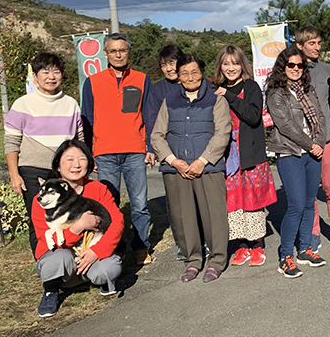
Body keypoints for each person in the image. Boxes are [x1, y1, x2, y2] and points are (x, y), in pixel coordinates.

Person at [151, 54, 232, 283]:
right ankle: (193, 260)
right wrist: (173, 160)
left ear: (203, 73)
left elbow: (222, 132)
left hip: (208, 167)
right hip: (176, 169)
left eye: (194, 72)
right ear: (178, 75)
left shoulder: (216, 98)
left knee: (213, 216)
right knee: (182, 216)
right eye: (184, 72)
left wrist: (202, 160)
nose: (189, 77)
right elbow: (157, 135)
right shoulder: (169, 100)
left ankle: (216, 260)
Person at [81, 33, 156, 265]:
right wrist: (87, 154)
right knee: (108, 205)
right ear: (105, 54)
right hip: (104, 154)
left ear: (129, 51)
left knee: (140, 204)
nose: (118, 54)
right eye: (113, 51)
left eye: (122, 50)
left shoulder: (142, 79)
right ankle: (115, 247)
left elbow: (149, 115)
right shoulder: (92, 82)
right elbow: (86, 120)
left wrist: (151, 147)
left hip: (135, 151)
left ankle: (141, 247)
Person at [32, 139, 124, 317]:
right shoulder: (43, 199)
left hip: (91, 254)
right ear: (58, 166)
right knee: (58, 258)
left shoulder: (97, 189)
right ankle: (51, 290)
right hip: (63, 258)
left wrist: (96, 252)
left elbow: (117, 221)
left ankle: (99, 279)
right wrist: (79, 226)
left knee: (110, 267)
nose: (76, 164)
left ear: (89, 163)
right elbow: (45, 237)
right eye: (69, 159)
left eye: (82, 159)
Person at [5, 52, 83, 255]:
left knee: (67, 215)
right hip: (32, 171)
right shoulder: (22, 104)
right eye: (45, 71)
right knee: (39, 220)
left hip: (63, 172)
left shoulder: (71, 104)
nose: (51, 76)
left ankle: (70, 262)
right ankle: (48, 267)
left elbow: (79, 139)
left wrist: (81, 168)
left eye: (56, 71)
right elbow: (11, 142)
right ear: (36, 76)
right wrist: (14, 174)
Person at [214, 45, 277, 267]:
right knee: (233, 203)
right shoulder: (218, 89)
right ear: (220, 66)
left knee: (253, 201)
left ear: (243, 65)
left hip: (250, 154)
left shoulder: (250, 87)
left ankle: (257, 245)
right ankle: (241, 246)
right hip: (228, 155)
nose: (231, 68)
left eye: (235, 63)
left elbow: (252, 116)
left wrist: (229, 96)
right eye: (226, 63)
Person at [266, 47, 327, 279]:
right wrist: (311, 144)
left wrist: (318, 143)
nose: (295, 69)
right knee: (296, 205)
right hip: (289, 151)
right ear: (283, 67)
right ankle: (285, 256)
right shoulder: (276, 93)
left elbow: (319, 117)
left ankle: (304, 250)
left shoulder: (307, 90)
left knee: (310, 203)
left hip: (312, 152)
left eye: (299, 65)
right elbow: (285, 126)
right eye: (290, 65)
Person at [295, 26, 330, 255]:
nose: (317, 47)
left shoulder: (328, 70)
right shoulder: (292, 70)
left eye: (318, 43)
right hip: (302, 142)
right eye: (311, 44)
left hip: (326, 139)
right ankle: (313, 232)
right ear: (299, 45)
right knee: (309, 193)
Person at [144, 44, 187, 261]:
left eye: (172, 62)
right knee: (176, 201)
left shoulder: (195, 81)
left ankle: (204, 240)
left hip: (196, 151)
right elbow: (151, 120)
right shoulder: (158, 89)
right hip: (169, 152)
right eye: (164, 65)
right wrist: (152, 148)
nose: (169, 68)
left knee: (200, 199)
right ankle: (182, 243)